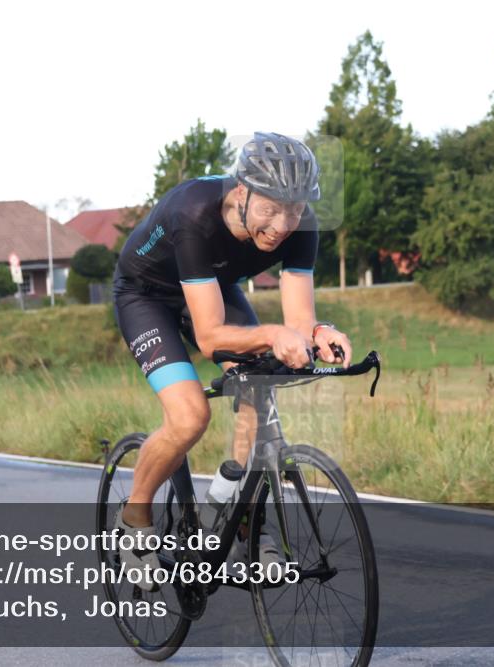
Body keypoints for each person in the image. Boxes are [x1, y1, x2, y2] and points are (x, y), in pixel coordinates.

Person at [111, 132, 353, 590]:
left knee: (259, 391)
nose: (283, 224)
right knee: (189, 417)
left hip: (214, 288)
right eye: (270, 209)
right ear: (241, 192)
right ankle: (134, 518)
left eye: (294, 209)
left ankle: (235, 512)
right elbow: (210, 338)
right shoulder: (194, 213)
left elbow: (300, 318)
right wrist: (272, 334)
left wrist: (320, 334)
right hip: (148, 297)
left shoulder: (301, 223)